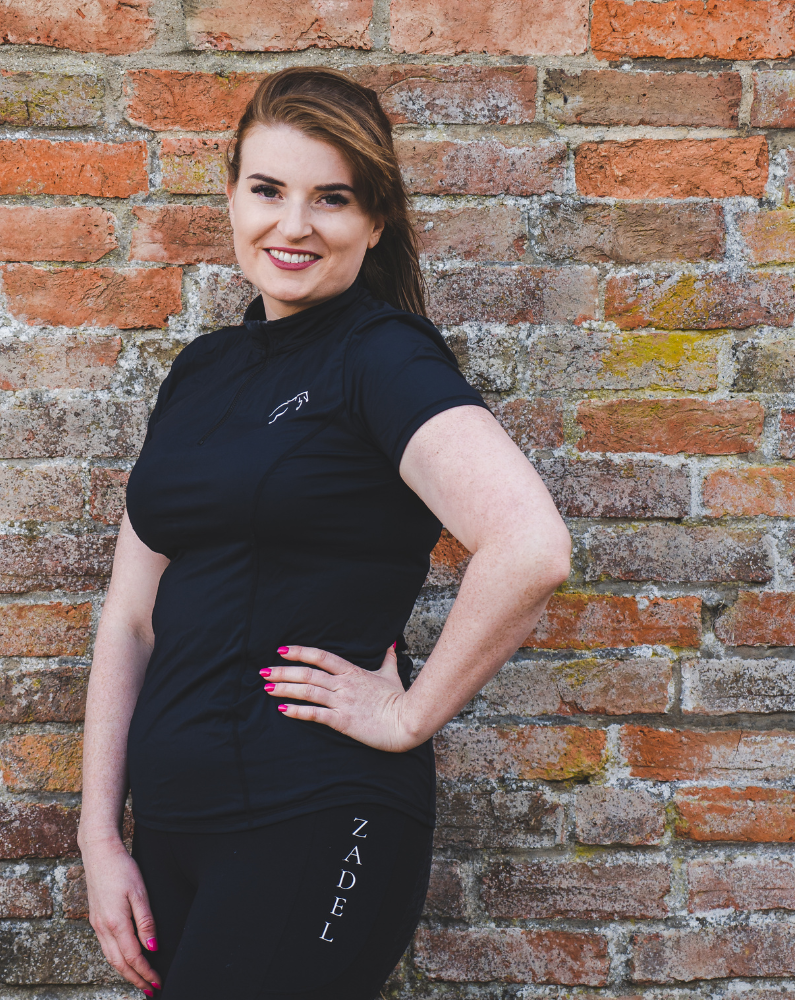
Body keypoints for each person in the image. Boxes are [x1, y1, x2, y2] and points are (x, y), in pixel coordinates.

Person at [77, 67, 571, 1000]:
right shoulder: (200, 373)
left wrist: (406, 716)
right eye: (268, 190)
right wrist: (100, 834)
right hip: (176, 827)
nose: (293, 225)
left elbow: (531, 547)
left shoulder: (381, 358)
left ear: (375, 221)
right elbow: (131, 619)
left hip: (311, 813)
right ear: (232, 197)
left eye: (332, 199)